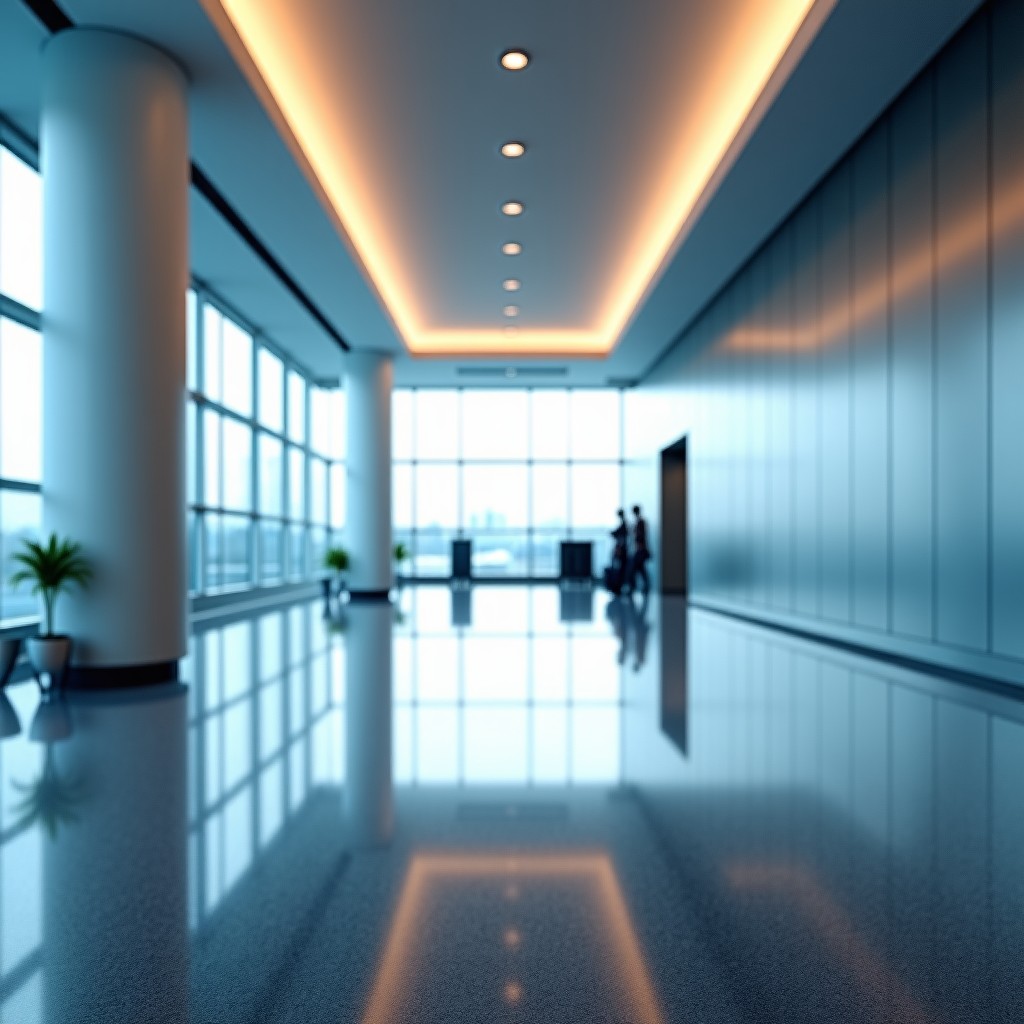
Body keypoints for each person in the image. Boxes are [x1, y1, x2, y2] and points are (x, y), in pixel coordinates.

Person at [629, 505, 651, 594]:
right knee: (641, 569)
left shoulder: (640, 522)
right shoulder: (639, 522)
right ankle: (644, 586)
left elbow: (641, 536)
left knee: (636, 569)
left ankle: (635, 587)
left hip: (640, 549)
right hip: (639, 549)